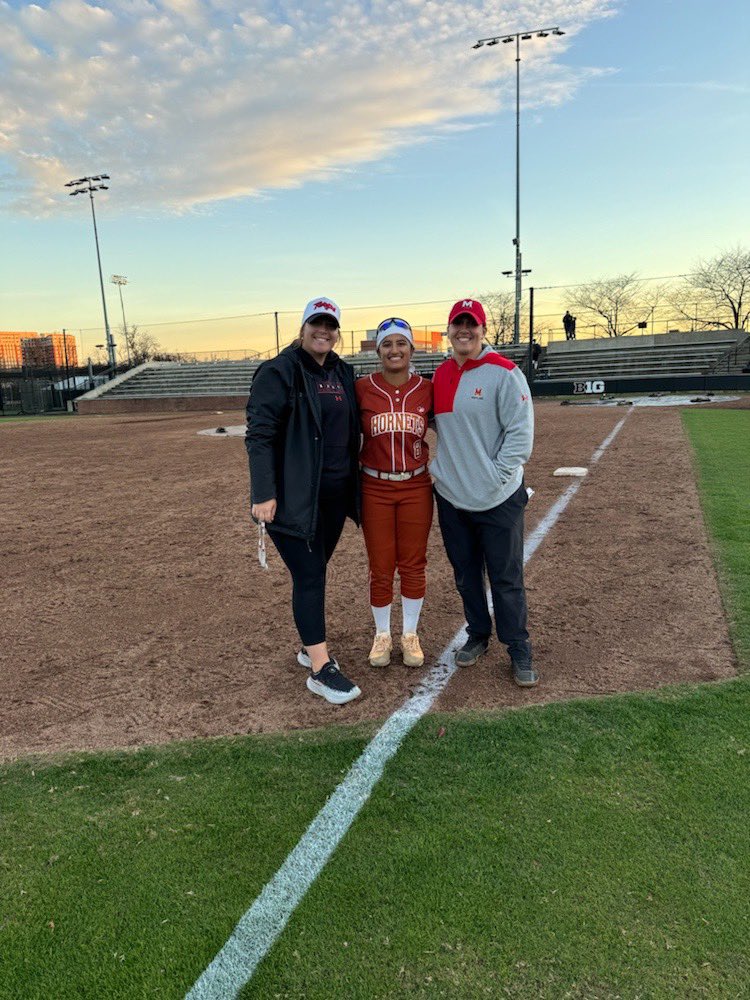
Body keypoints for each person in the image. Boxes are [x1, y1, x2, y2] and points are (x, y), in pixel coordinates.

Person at [245, 296, 362, 705]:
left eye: (330, 325)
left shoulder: (343, 371)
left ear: (337, 332)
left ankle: (308, 644)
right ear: (303, 326)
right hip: (294, 499)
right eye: (317, 323)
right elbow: (259, 435)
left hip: (334, 498)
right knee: (311, 575)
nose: (323, 331)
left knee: (313, 571)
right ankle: (320, 668)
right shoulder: (279, 371)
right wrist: (263, 493)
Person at [430, 298, 538, 687]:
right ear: (449, 330)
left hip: (498, 498)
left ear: (482, 329)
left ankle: (518, 645)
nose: (464, 330)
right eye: (457, 323)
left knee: (506, 577)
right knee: (466, 575)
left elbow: (520, 436)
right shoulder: (440, 374)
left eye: (471, 324)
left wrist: (495, 476)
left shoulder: (505, 373)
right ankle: (478, 633)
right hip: (452, 498)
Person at [355, 318, 433, 668]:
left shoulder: (428, 388)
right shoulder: (362, 388)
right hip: (374, 485)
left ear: (412, 349)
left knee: (414, 563)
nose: (394, 350)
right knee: (381, 565)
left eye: (401, 343)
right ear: (378, 350)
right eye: (387, 344)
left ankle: (410, 634)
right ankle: (383, 634)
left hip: (416, 484)